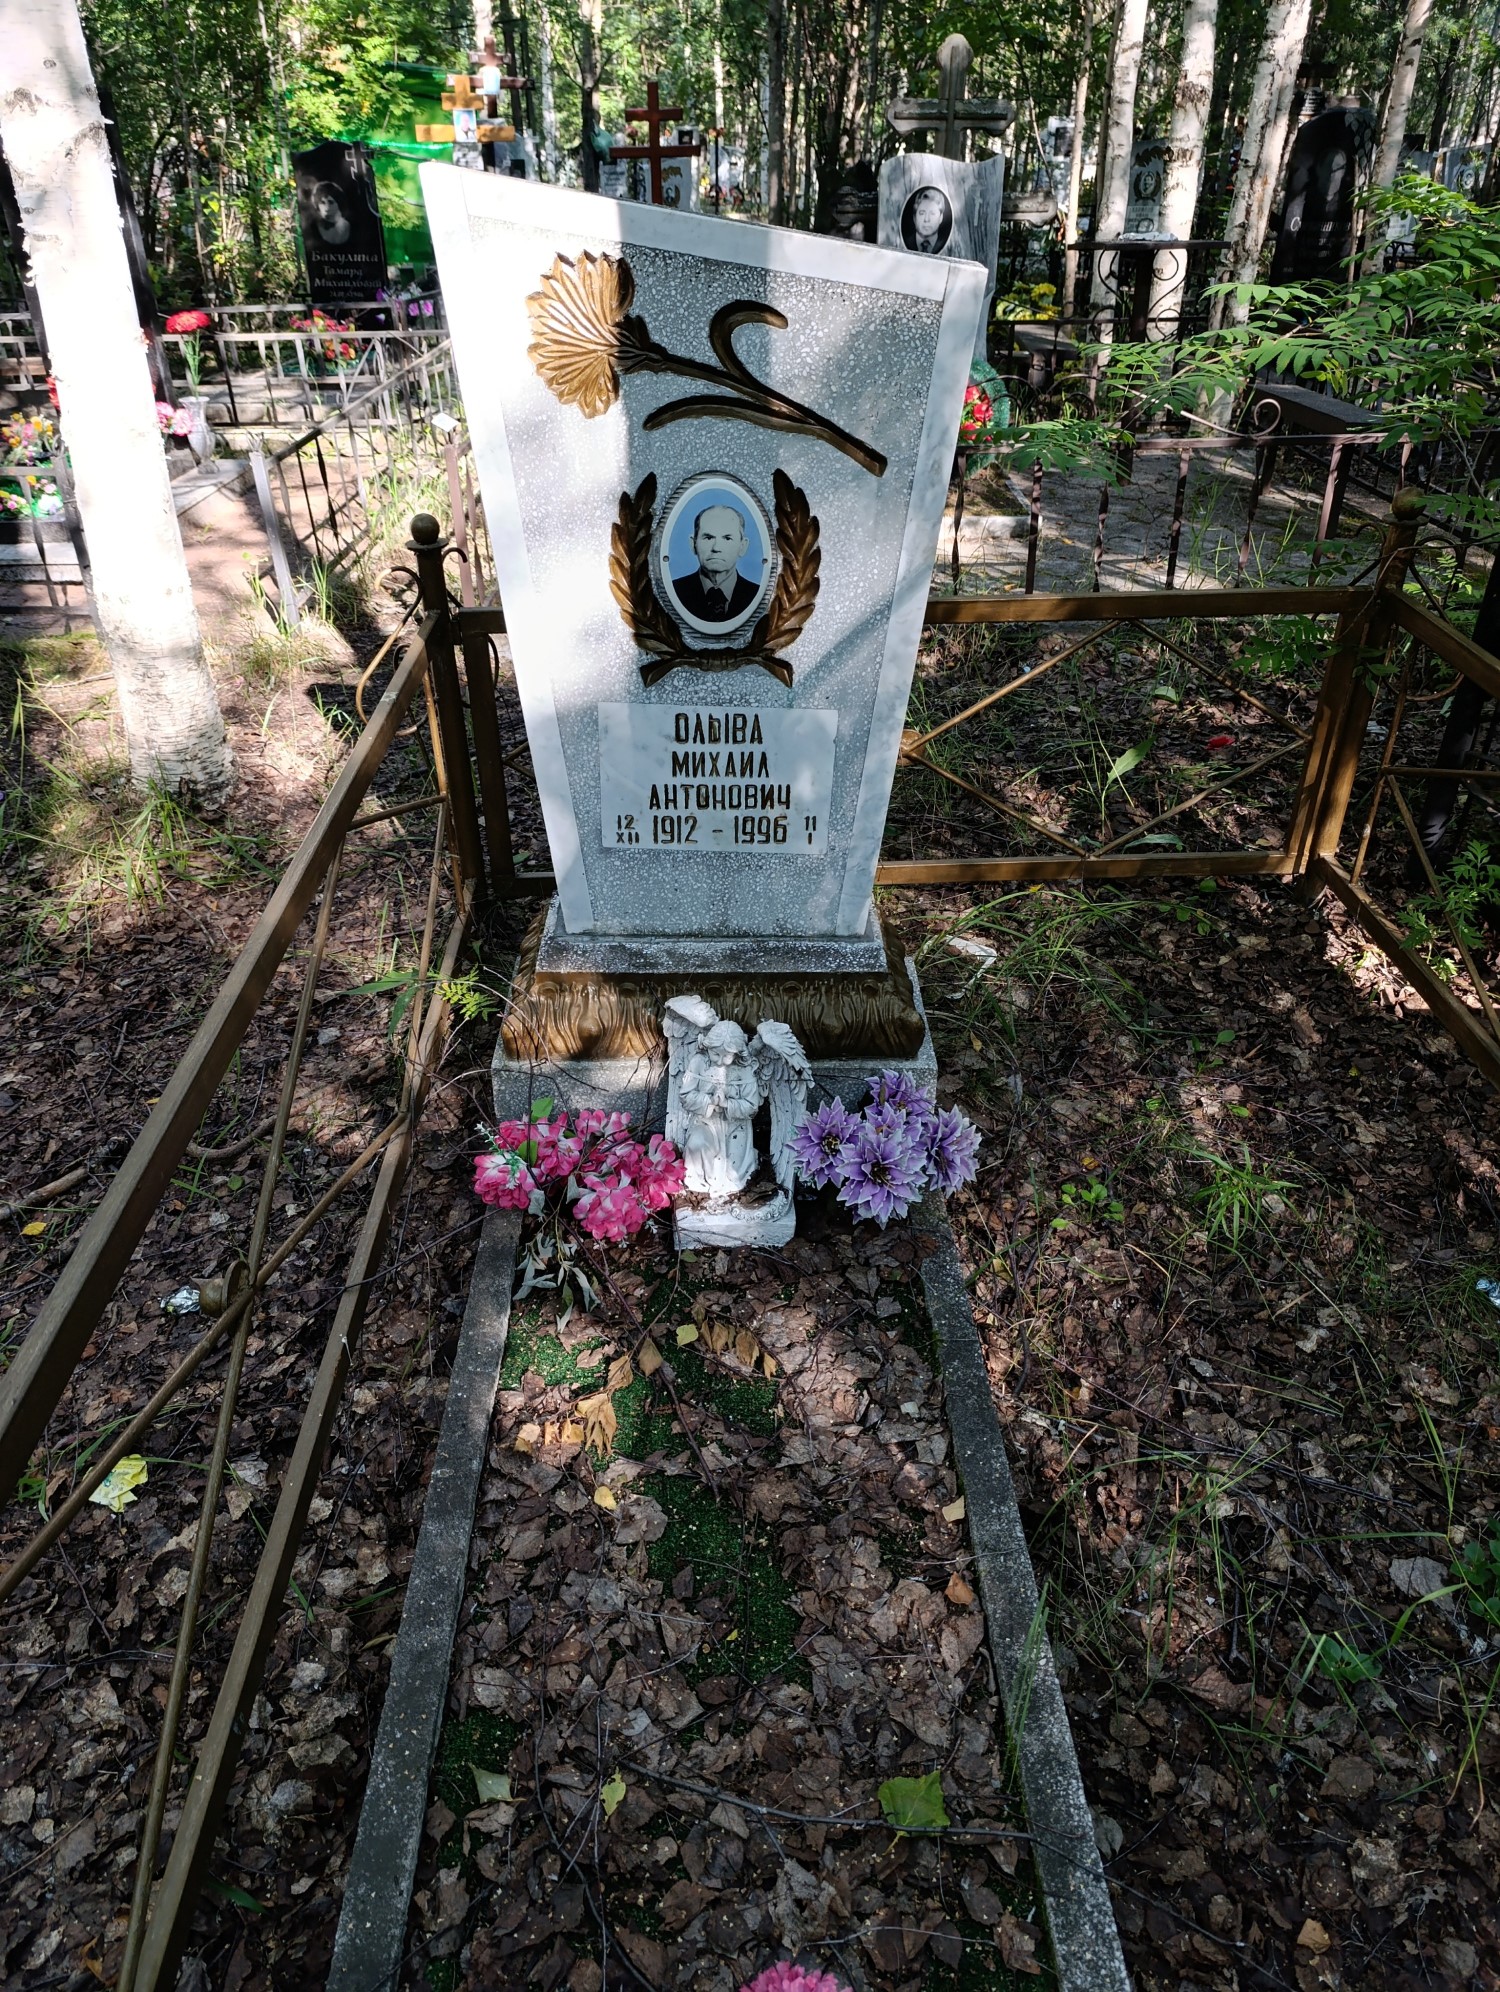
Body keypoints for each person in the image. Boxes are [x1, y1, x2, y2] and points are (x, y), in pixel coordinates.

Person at [670, 503, 760, 623]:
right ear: (693, 544)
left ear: (743, 546)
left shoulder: (759, 596)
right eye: (708, 538)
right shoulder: (672, 593)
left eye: (727, 538)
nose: (716, 548)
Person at [905, 185, 950, 254]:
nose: (926, 219)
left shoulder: (949, 247)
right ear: (914, 217)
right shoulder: (903, 244)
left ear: (941, 218)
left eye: (932, 213)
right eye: (922, 213)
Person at [310, 182, 351, 247]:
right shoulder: (313, 230)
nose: (327, 207)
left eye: (331, 202)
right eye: (322, 202)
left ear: (339, 204)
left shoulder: (349, 227)